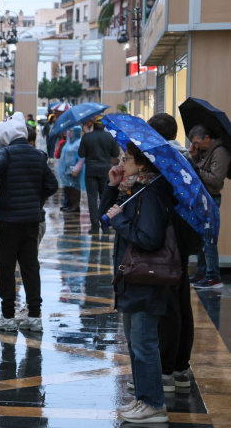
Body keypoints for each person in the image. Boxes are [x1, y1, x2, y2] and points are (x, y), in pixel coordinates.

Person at [100, 142, 177, 424]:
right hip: (131, 278)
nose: (122, 162)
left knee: (144, 344)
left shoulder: (152, 194)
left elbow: (150, 238)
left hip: (146, 280)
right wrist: (112, 187)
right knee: (135, 344)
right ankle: (143, 399)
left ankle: (154, 403)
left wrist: (120, 222)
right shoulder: (135, 191)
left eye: (127, 159)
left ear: (143, 165)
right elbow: (102, 217)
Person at [0, 113, 58, 332]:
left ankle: (7, 316)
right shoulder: (38, 155)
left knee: (6, 269)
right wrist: (37, 200)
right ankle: (34, 316)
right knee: (30, 267)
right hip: (31, 221)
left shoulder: (6, 153)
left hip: (8, 221)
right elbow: (52, 184)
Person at [147, 113, 199, 393]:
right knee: (181, 299)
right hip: (184, 237)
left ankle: (166, 370)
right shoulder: (185, 159)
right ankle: (181, 368)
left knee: (169, 305)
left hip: (167, 238)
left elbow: (163, 200)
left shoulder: (165, 161)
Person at [188, 124, 230, 289]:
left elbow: (215, 180)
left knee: (209, 240)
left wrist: (196, 167)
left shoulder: (221, 152)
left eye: (197, 143)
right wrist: (195, 157)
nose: (196, 146)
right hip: (202, 197)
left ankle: (213, 276)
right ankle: (202, 272)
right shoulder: (206, 151)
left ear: (206, 137)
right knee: (200, 238)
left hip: (211, 199)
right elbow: (202, 169)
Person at [79, 115, 121, 232]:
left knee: (92, 198)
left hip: (90, 169)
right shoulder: (109, 137)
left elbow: (81, 153)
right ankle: (105, 226)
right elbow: (115, 153)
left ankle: (95, 227)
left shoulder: (87, 137)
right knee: (105, 197)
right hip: (105, 170)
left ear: (93, 124)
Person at [57, 126, 85, 213]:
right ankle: (69, 205)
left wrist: (76, 169)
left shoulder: (79, 143)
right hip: (66, 170)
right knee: (68, 187)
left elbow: (82, 157)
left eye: (71, 131)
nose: (69, 133)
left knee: (75, 188)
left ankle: (75, 206)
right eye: (69, 131)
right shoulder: (69, 142)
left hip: (74, 170)